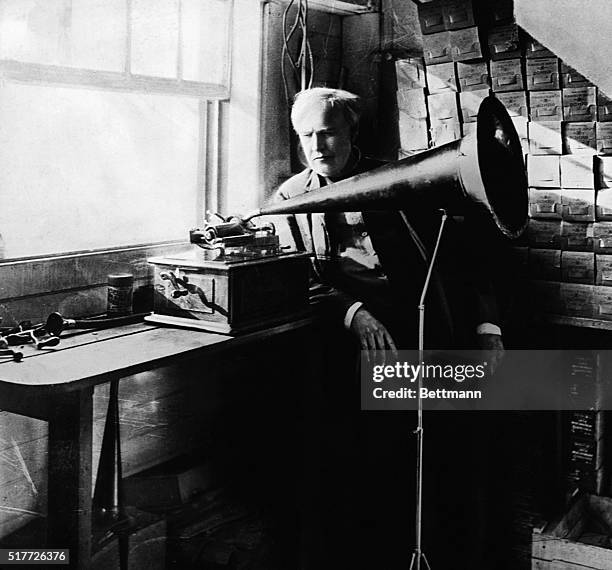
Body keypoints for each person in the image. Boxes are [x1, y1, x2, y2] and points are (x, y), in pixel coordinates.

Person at [269, 87, 505, 569]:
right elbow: (293, 277)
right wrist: (352, 312)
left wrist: (487, 325)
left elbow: (464, 252)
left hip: (427, 333)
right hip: (351, 350)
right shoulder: (289, 198)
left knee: (441, 464)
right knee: (367, 470)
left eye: (329, 132)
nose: (318, 146)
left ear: (352, 133)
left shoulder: (400, 181)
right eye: (307, 136)